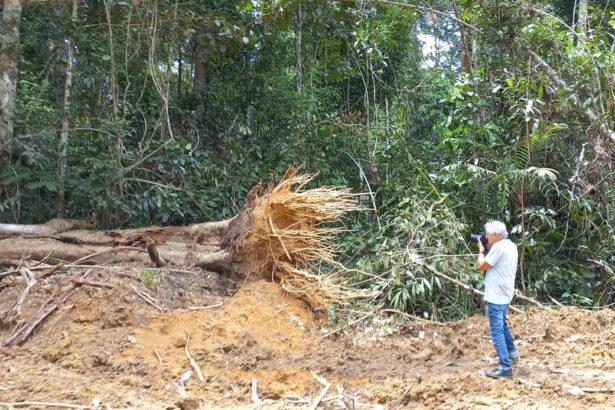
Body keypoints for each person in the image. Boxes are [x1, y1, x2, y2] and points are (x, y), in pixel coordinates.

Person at [476, 220, 519, 379]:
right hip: (505, 293)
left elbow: (481, 266)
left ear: (495, 234)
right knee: (502, 325)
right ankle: (512, 354)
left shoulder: (499, 247)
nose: (486, 238)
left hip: (496, 295)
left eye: (487, 235)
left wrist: (481, 250)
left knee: (496, 331)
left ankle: (505, 367)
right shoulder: (510, 245)